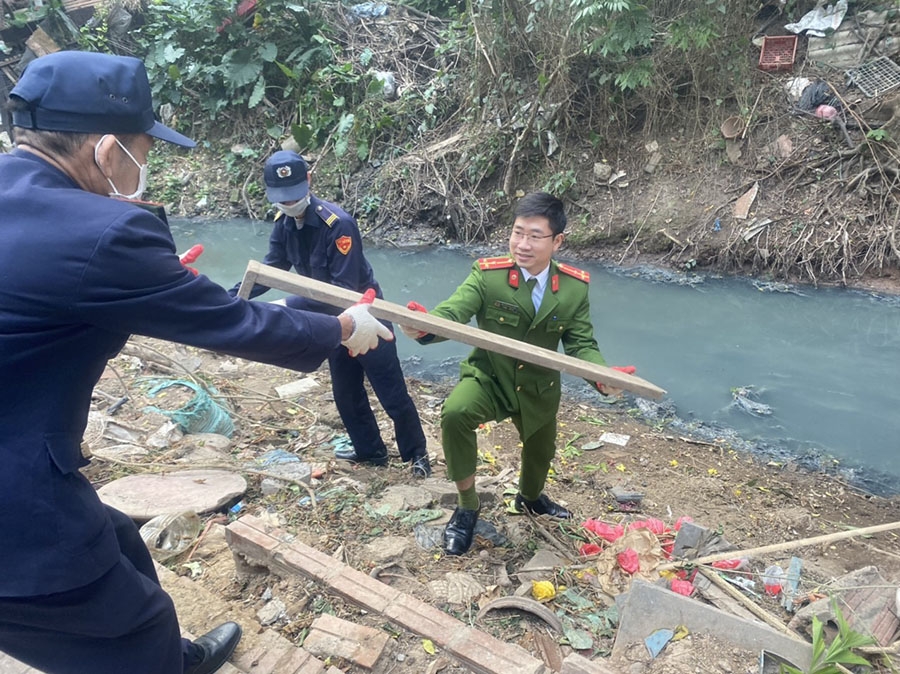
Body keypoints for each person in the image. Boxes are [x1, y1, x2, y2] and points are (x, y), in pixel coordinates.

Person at [0, 51, 391, 674]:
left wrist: (149, 293)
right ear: (107, 152)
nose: (143, 167)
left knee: (124, 540)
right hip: (15, 501)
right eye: (142, 151)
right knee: (134, 633)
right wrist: (341, 327)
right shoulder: (104, 232)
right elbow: (236, 323)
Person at [400, 192, 635, 556]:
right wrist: (424, 325)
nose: (522, 245)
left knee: (541, 452)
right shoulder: (489, 276)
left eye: (534, 235)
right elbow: (454, 311)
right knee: (455, 414)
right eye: (517, 233)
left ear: (557, 241)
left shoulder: (573, 288)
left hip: (539, 386)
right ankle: (466, 507)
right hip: (489, 377)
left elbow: (580, 343)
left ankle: (529, 499)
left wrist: (601, 375)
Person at [230, 150, 431, 477]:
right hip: (333, 324)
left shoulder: (338, 225)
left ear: (308, 181)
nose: (288, 203)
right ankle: (370, 451)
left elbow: (343, 290)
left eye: (293, 195)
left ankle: (416, 455)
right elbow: (272, 269)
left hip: (367, 317)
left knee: (391, 392)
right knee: (346, 393)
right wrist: (233, 297)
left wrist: (285, 307)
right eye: (282, 198)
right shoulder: (283, 225)